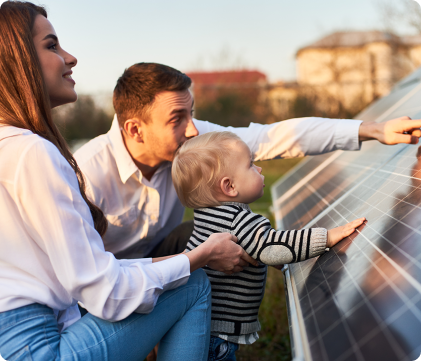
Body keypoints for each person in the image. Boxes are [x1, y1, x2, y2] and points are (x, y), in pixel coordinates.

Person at [0, 2, 257, 360]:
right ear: (16, 60)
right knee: (192, 284)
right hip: (38, 347)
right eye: (52, 45)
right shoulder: (34, 153)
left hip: (28, 334)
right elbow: (103, 292)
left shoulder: (8, 147)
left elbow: (88, 275)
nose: (70, 57)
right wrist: (200, 258)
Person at [74, 62, 421, 262]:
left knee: (216, 230)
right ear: (135, 129)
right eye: (177, 118)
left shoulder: (192, 141)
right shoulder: (86, 175)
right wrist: (195, 262)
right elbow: (85, 276)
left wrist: (373, 129)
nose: (193, 128)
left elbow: (276, 137)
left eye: (191, 113)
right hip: (107, 284)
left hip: (166, 261)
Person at [171, 131, 365, 360]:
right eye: (251, 165)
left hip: (202, 327)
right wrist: (328, 237)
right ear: (229, 186)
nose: (260, 169)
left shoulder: (206, 216)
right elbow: (272, 247)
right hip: (217, 337)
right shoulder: (238, 220)